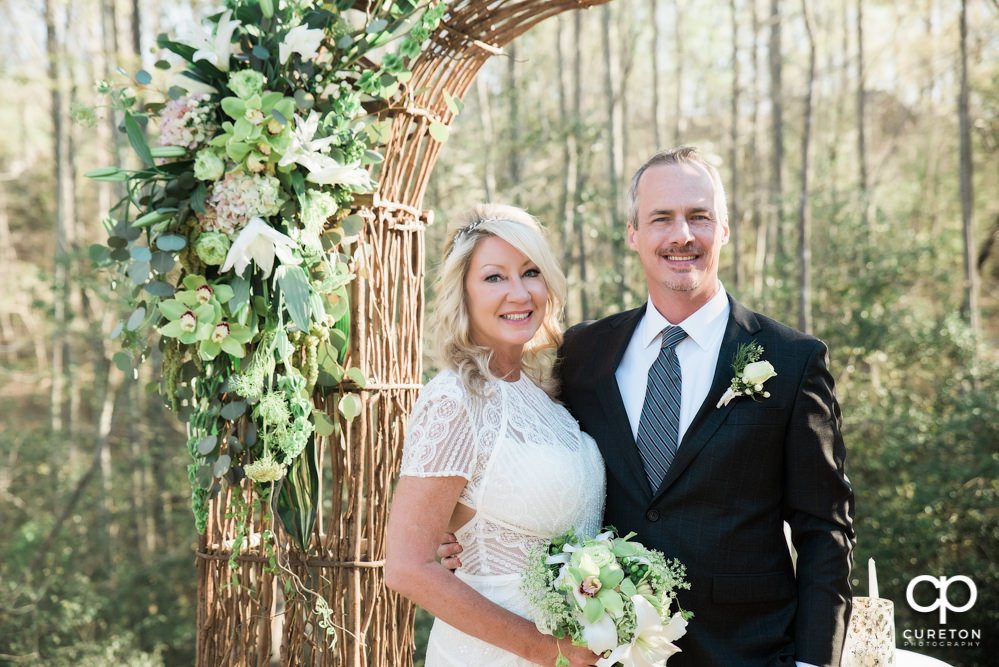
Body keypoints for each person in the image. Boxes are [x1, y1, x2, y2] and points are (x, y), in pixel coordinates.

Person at [442, 147, 855, 666]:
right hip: (608, 654)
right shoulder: (584, 353)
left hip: (748, 653)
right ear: (634, 234)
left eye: (699, 216)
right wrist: (452, 530)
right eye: (662, 218)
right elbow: (533, 464)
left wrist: (814, 662)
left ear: (723, 229)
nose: (682, 234)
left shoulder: (792, 361)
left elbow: (826, 528)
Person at [384, 204, 605, 666]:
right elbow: (407, 567)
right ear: (462, 292)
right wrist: (547, 651)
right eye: (494, 277)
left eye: (530, 272)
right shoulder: (456, 398)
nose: (519, 293)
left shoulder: (550, 401)